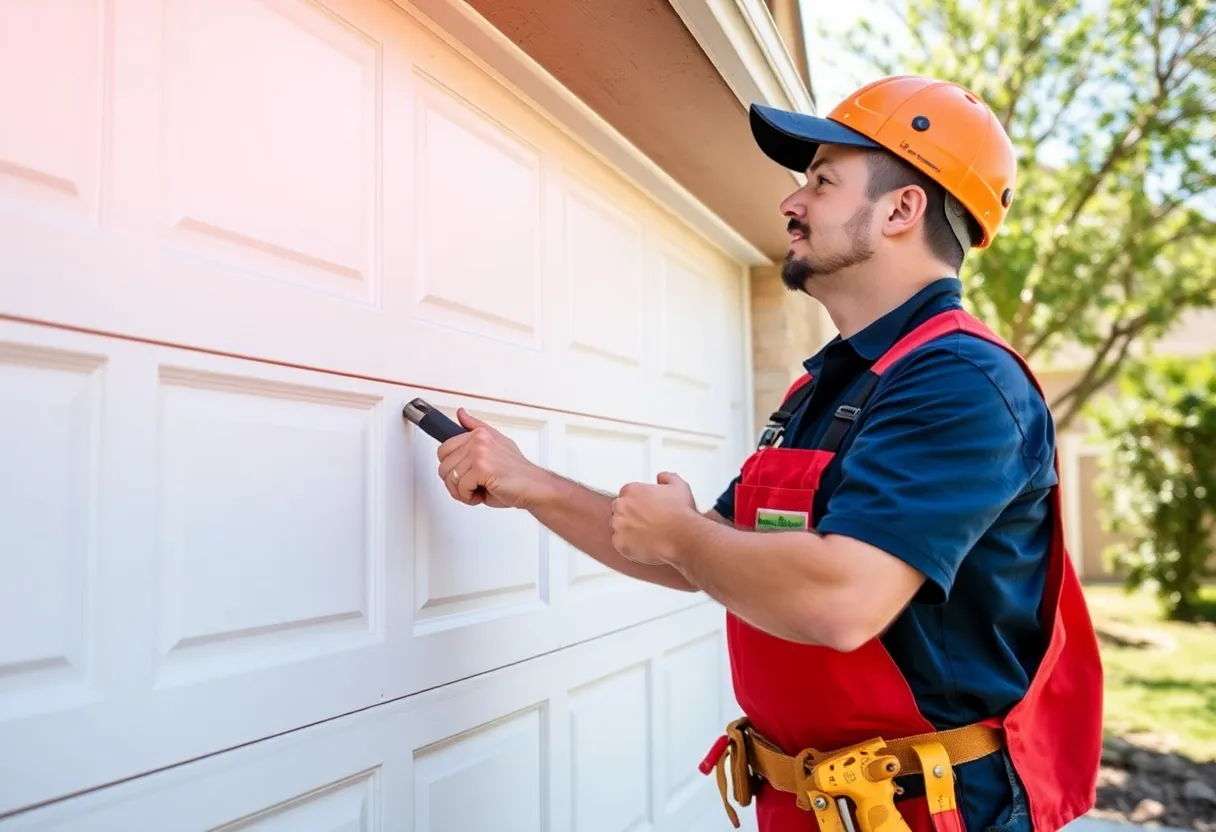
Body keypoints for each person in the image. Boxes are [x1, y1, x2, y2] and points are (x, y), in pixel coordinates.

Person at [433, 75, 1103, 832]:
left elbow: (841, 600)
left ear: (901, 209)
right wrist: (529, 483)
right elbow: (705, 554)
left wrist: (681, 534)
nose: (791, 201)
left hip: (929, 813)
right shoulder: (826, 386)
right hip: (810, 807)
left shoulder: (960, 380)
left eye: (822, 181)